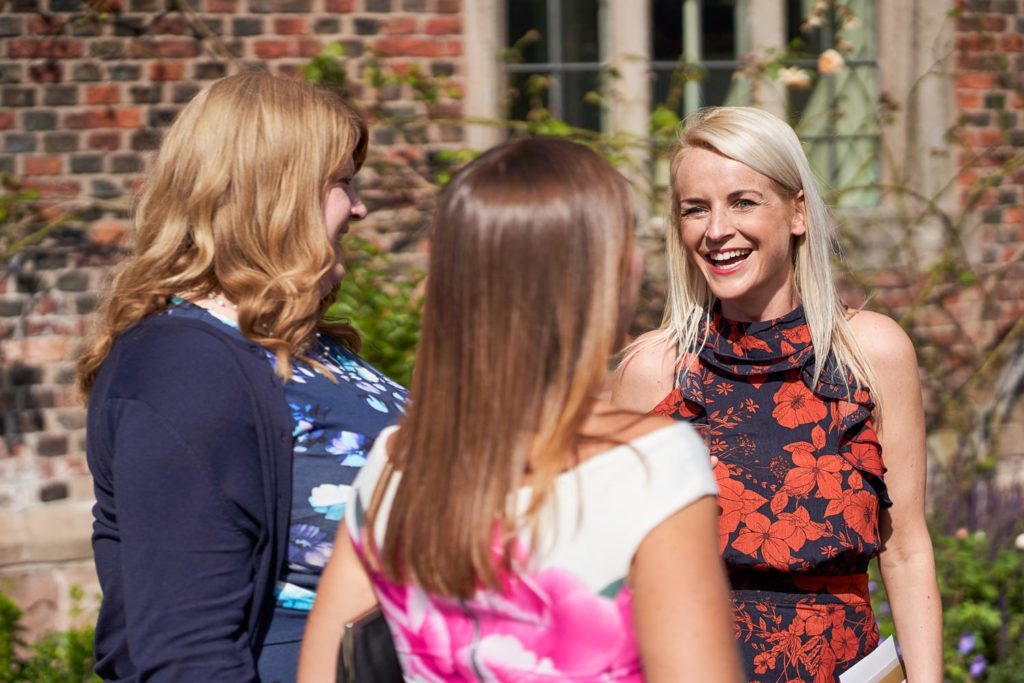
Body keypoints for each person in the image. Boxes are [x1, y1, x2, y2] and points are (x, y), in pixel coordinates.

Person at [297, 137, 743, 682]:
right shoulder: (654, 462)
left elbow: (323, 670)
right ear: (591, 275)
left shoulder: (399, 461)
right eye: (624, 238)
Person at [77, 71, 407, 682]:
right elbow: (185, 648)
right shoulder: (184, 366)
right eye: (340, 183)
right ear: (275, 192)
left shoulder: (299, 347)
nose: (359, 207)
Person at [612, 106, 943, 681]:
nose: (716, 230)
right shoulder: (653, 372)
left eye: (743, 201)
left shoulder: (873, 354)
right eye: (696, 208)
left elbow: (906, 550)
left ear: (798, 213)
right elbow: (619, 573)